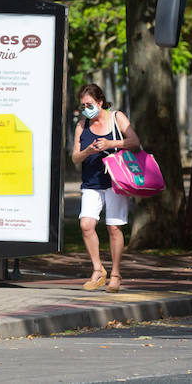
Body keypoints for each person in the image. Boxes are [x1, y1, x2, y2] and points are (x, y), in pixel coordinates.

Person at [70, 83, 141, 294]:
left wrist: (110, 144)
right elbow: (75, 157)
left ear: (100, 102)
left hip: (116, 181)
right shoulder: (82, 125)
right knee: (86, 224)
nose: (86, 109)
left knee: (114, 227)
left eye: (89, 104)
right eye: (83, 106)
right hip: (91, 182)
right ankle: (98, 270)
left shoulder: (116, 117)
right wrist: (88, 151)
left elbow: (134, 142)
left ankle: (116, 274)